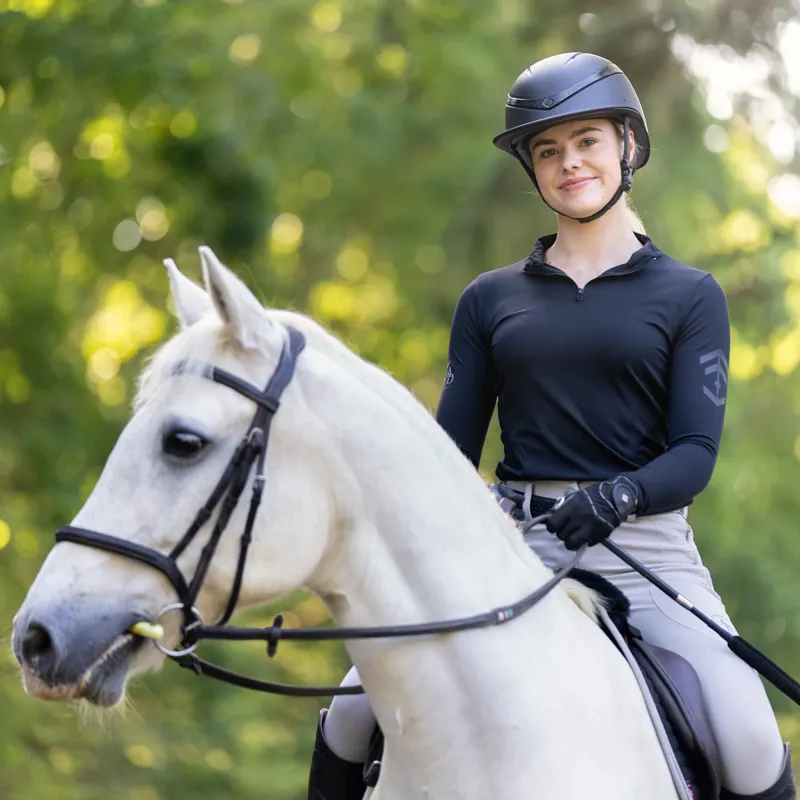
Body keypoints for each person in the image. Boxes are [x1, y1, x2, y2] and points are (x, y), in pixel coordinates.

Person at [308, 52, 796, 800]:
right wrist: (475, 510)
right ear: (532, 169)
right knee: (349, 711)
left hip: (646, 554)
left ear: (626, 146)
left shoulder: (690, 295)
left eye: (587, 141)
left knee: (750, 738)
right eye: (548, 150)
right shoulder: (489, 299)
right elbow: (448, 455)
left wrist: (619, 496)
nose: (570, 162)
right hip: (517, 545)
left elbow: (695, 453)